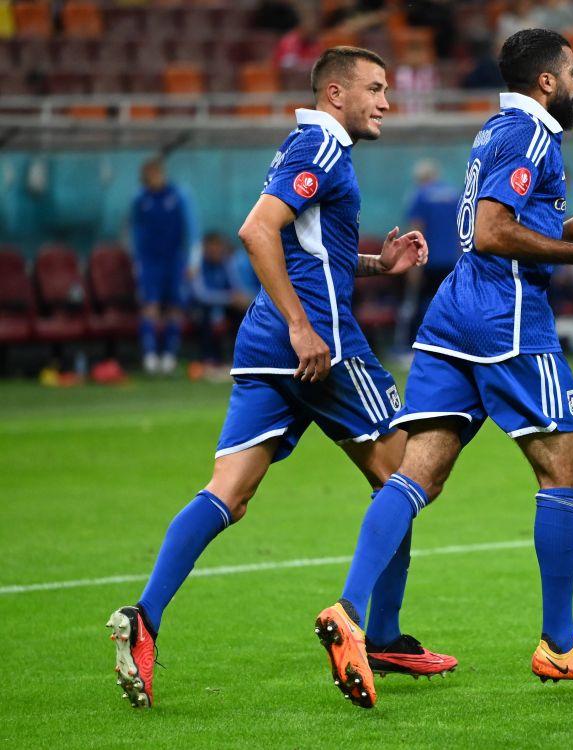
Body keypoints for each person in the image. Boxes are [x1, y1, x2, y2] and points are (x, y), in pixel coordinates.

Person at [105, 46, 456, 710]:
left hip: (266, 345)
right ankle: (372, 628)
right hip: (319, 346)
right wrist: (303, 327)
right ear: (334, 95)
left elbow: (306, 247)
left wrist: (379, 264)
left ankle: (145, 619)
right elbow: (257, 230)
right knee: (405, 478)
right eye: (375, 89)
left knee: (228, 494)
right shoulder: (320, 149)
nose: (386, 101)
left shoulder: (310, 148)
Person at [316, 28, 573, 710]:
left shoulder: (495, 130)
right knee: (564, 469)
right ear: (547, 81)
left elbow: (518, 236)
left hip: (453, 315)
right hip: (507, 321)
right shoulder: (532, 136)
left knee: (418, 474)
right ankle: (560, 645)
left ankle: (349, 611)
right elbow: (498, 235)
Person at [130, 157, 197, 375]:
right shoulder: (140, 199)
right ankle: (150, 357)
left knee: (175, 308)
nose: (149, 179)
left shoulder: (178, 195)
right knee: (150, 307)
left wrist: (193, 261)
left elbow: (192, 227)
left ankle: (169, 356)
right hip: (150, 261)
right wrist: (136, 262)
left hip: (174, 260)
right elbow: (134, 232)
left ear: (160, 173)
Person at [395, 158, 461, 348]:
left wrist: (413, 267)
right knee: (448, 305)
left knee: (418, 302)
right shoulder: (454, 194)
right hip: (451, 260)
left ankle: (412, 345)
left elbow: (417, 231)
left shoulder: (419, 195)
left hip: (428, 262)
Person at [187, 231, 252, 375]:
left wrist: (241, 298)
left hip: (222, 306)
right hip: (198, 308)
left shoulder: (226, 262)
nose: (217, 252)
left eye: (219, 248)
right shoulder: (197, 263)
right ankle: (208, 360)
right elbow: (201, 295)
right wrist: (230, 299)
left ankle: (239, 358)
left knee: (243, 314)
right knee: (204, 315)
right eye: (213, 248)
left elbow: (236, 286)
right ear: (205, 248)